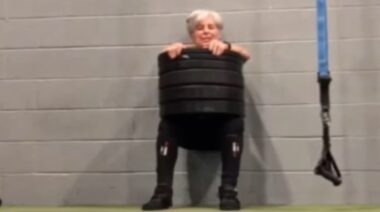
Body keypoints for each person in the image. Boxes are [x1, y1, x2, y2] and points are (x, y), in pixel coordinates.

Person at [142, 9, 251, 211]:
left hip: (220, 129)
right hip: (188, 130)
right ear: (193, 33)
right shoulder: (180, 50)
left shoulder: (229, 51)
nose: (206, 31)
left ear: (218, 31)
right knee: (167, 125)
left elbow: (246, 55)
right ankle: (163, 193)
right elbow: (164, 54)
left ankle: (229, 193)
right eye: (200, 28)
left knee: (235, 121)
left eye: (211, 27)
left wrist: (227, 47)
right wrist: (173, 49)